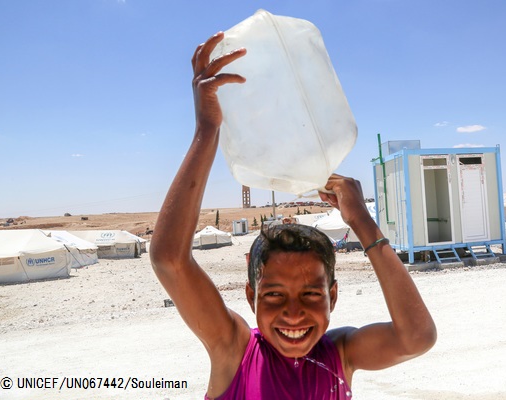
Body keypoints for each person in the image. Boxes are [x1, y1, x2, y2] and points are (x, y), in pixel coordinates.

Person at [150, 31, 436, 399]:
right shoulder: (235, 351)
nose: (294, 314)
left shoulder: (341, 354)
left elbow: (417, 337)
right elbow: (169, 260)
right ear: (250, 295)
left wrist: (362, 222)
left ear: (333, 296)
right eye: (273, 296)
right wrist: (207, 130)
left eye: (311, 294)